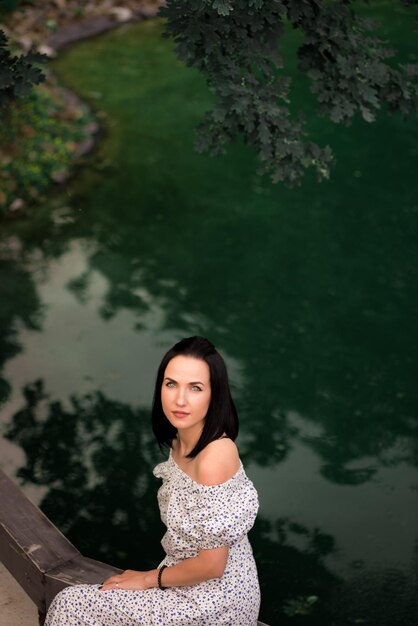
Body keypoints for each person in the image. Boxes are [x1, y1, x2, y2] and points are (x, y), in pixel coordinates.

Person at [45, 336, 260, 626]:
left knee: (72, 605)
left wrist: (148, 579)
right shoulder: (179, 440)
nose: (179, 399)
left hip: (216, 601)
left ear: (215, 395)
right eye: (171, 384)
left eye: (195, 388)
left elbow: (212, 565)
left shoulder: (214, 457)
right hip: (183, 577)